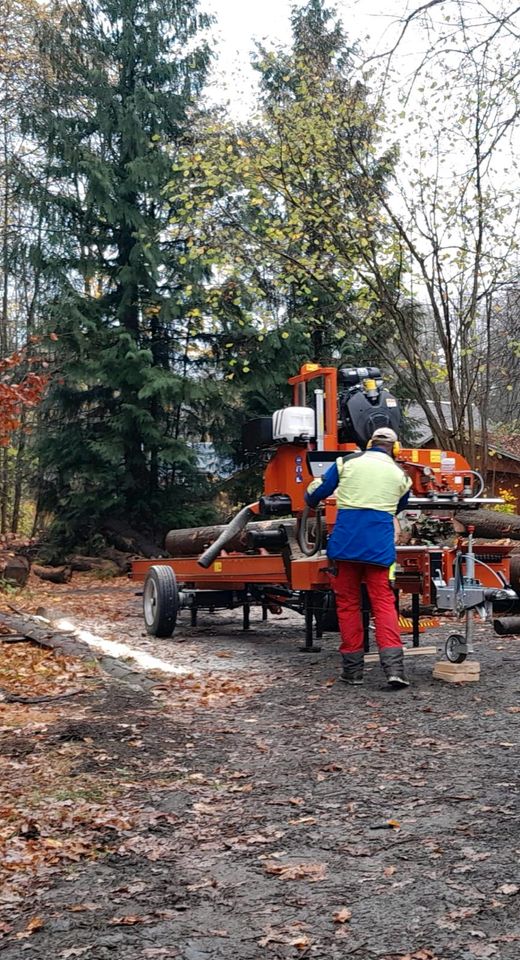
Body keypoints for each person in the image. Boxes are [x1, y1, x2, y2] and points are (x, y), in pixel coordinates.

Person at [305, 427, 412, 689]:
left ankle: (353, 672)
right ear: (395, 449)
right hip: (379, 549)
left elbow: (315, 495)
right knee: (384, 605)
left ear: (369, 444)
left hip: (345, 546)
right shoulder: (401, 476)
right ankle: (394, 670)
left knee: (348, 605)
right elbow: (399, 506)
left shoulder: (346, 462)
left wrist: (311, 490)